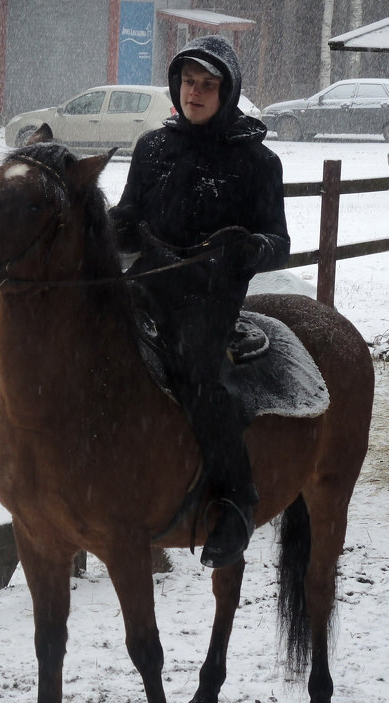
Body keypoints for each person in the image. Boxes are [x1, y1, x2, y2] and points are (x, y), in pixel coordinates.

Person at [109, 34, 291, 569]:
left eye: (208, 84)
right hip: (148, 281)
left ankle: (236, 501)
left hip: (211, 295)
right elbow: (129, 219)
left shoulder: (257, 161)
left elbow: (278, 243)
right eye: (189, 81)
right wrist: (111, 226)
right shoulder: (153, 148)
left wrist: (253, 248)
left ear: (227, 91)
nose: (196, 92)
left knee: (196, 371)